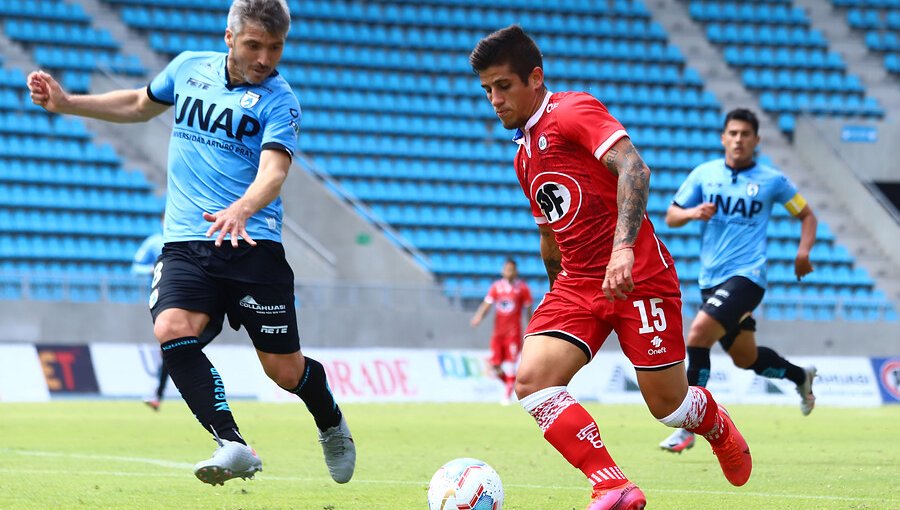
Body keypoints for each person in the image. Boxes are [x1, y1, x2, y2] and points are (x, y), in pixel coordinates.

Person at [27, 0, 356, 486]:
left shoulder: (279, 100)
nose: (266, 58)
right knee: (171, 327)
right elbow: (140, 104)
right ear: (229, 38)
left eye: (276, 47)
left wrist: (242, 208)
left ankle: (329, 420)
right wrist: (68, 102)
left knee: (285, 372)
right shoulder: (187, 69)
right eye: (254, 45)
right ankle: (233, 444)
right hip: (186, 240)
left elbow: (275, 170)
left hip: (252, 245)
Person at [470, 25, 751, 510]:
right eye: (487, 90)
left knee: (669, 407)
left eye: (503, 86)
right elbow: (549, 233)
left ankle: (714, 421)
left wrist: (622, 249)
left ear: (535, 78)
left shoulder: (573, 110)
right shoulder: (524, 154)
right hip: (579, 283)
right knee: (532, 382)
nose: (494, 99)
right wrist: (558, 293)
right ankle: (613, 485)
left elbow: (635, 169)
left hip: (639, 276)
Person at [658, 108, 818, 454]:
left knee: (698, 336)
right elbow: (671, 216)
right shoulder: (705, 174)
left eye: (746, 134)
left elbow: (807, 215)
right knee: (746, 358)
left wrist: (803, 253)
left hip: (748, 276)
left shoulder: (772, 181)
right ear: (723, 138)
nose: (738, 140)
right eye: (733, 133)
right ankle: (799, 376)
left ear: (756, 140)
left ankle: (689, 426)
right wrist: (692, 212)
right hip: (710, 280)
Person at [132, 219, 222, 412]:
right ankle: (167, 393)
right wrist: (153, 268)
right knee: (175, 349)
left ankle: (170, 392)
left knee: (178, 351)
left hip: (199, 301)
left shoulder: (197, 239)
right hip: (168, 302)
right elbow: (135, 267)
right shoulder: (155, 242)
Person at [470, 258, 534, 404]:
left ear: (516, 272)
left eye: (511, 269)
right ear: (502, 271)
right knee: (495, 365)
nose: (508, 272)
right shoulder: (496, 287)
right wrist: (478, 317)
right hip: (498, 333)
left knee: (511, 365)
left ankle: (506, 396)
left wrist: (531, 326)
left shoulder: (522, 288)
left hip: (513, 332)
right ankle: (512, 386)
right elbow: (487, 304)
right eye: (506, 269)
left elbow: (528, 310)